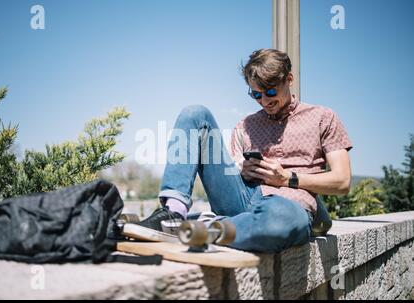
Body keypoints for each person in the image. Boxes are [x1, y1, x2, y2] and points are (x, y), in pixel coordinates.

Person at [133, 48, 352, 253]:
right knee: (194, 114)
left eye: (271, 92)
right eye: (256, 95)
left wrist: (288, 178)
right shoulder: (244, 125)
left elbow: (342, 182)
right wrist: (242, 171)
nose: (264, 101)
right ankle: (174, 212)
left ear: (290, 79)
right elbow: (229, 175)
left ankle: (210, 228)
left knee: (283, 217)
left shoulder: (323, 117)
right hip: (241, 198)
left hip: (288, 204)